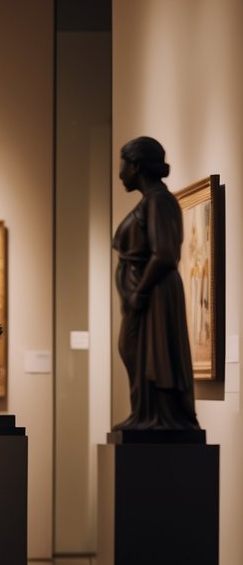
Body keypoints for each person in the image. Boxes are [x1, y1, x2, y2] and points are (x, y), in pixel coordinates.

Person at [112, 136, 199, 431]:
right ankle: (145, 413)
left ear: (135, 166)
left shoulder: (160, 202)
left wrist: (139, 290)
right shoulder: (151, 202)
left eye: (122, 164)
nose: (120, 172)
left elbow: (164, 254)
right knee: (133, 349)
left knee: (151, 353)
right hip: (147, 293)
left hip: (155, 294)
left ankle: (159, 416)